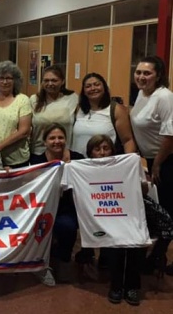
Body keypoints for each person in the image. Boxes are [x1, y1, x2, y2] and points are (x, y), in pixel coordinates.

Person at [84, 135, 145, 306]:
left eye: (106, 148)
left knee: (134, 243)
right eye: (97, 149)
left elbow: (143, 186)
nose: (102, 153)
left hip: (130, 213)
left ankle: (133, 286)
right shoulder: (84, 169)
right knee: (115, 245)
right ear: (90, 153)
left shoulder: (127, 164)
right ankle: (116, 286)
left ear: (113, 150)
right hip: (106, 217)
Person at [129, 55, 173, 274]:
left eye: (147, 73)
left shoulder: (164, 96)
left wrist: (157, 165)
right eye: (138, 72)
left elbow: (170, 135)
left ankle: (158, 256)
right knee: (162, 208)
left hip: (166, 160)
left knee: (167, 210)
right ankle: (158, 255)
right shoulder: (141, 94)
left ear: (158, 75)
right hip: (152, 158)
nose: (141, 77)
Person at [30, 123, 84, 286]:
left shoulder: (78, 159)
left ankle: (64, 260)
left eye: (60, 137)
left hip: (68, 206)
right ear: (44, 141)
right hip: (42, 208)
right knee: (37, 227)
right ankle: (41, 264)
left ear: (66, 140)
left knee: (67, 226)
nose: (57, 141)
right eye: (52, 138)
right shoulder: (36, 161)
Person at [0, 61, 32, 168]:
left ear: (15, 80)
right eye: (1, 78)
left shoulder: (22, 100)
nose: (5, 82)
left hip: (16, 159)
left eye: (9, 78)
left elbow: (24, 131)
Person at [72, 72, 136, 157]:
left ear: (104, 87)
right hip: (80, 164)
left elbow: (128, 140)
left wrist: (128, 163)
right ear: (83, 91)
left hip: (106, 164)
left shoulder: (116, 110)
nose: (93, 88)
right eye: (88, 86)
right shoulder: (79, 109)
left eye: (97, 84)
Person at [29, 65, 78, 159]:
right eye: (46, 80)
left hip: (64, 153)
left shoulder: (73, 99)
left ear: (62, 81)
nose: (50, 83)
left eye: (54, 80)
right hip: (39, 153)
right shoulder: (34, 100)